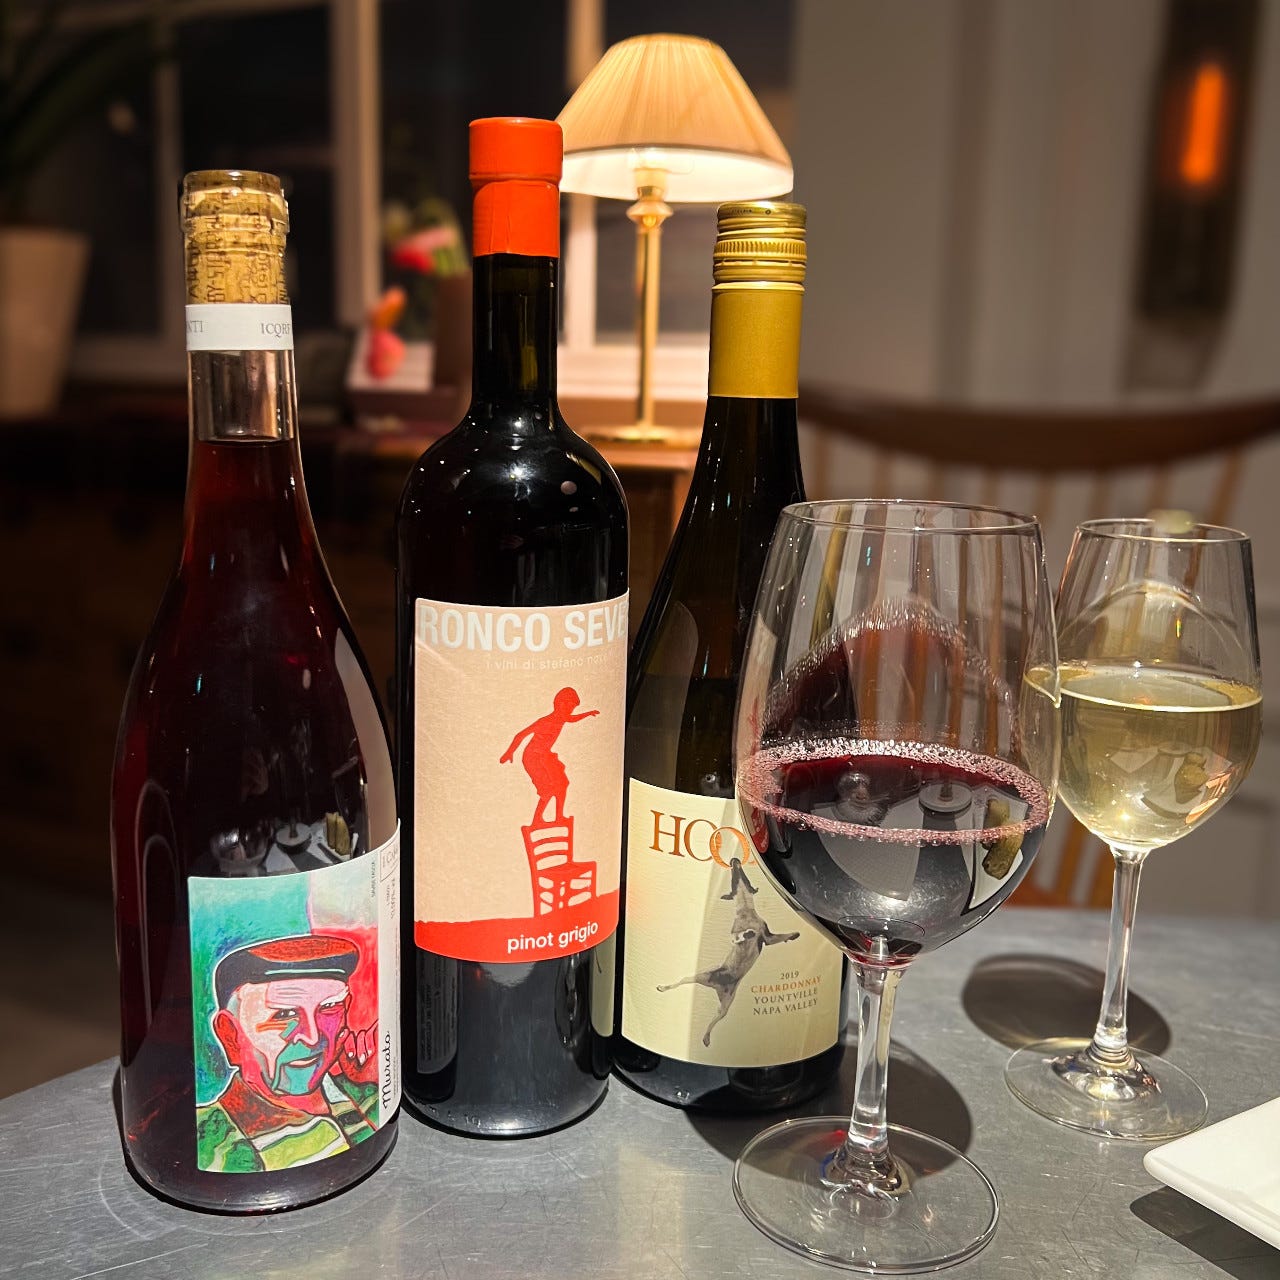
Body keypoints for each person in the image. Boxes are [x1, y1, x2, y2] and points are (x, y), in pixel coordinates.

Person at [196, 935, 379, 1173]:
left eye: (329, 1007)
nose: (312, 1037)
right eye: (284, 1015)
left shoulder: (362, 1092)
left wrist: (370, 1086)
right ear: (230, 1035)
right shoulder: (209, 1138)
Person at [499, 687, 598, 826]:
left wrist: (588, 713)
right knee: (548, 789)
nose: (570, 711)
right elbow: (520, 735)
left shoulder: (562, 719)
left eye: (572, 708)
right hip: (532, 758)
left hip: (545, 756)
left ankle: (559, 817)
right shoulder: (545, 721)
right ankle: (537, 820)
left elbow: (572, 719)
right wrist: (509, 752)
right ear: (559, 703)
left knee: (562, 784)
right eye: (568, 706)